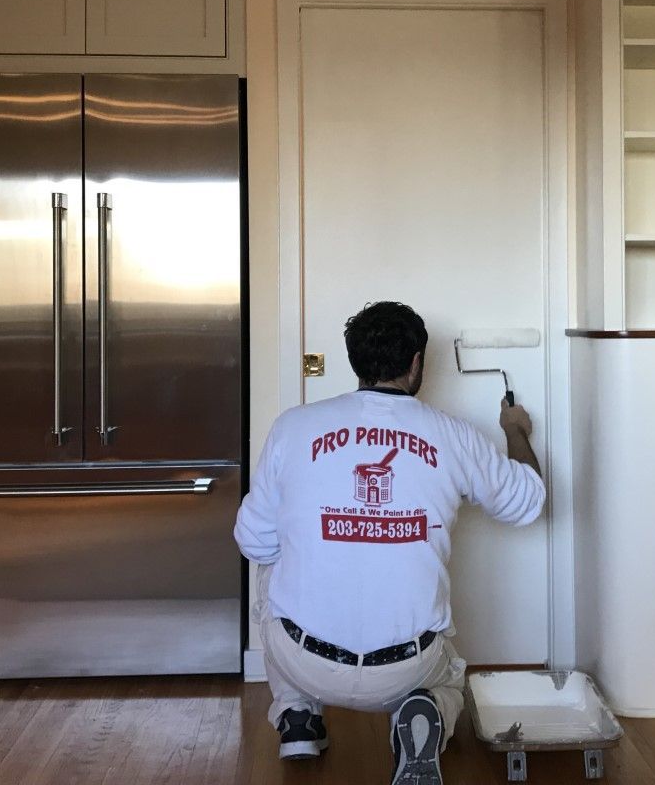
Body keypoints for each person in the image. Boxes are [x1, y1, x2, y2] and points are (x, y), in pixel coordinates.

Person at [234, 301, 545, 785]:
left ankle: (298, 716)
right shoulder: (452, 435)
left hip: (306, 660)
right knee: (449, 678)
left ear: (354, 361)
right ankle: (423, 713)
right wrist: (515, 431)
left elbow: (251, 541)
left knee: (269, 554)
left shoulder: (293, 427)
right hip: (406, 669)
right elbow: (529, 502)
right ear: (417, 362)